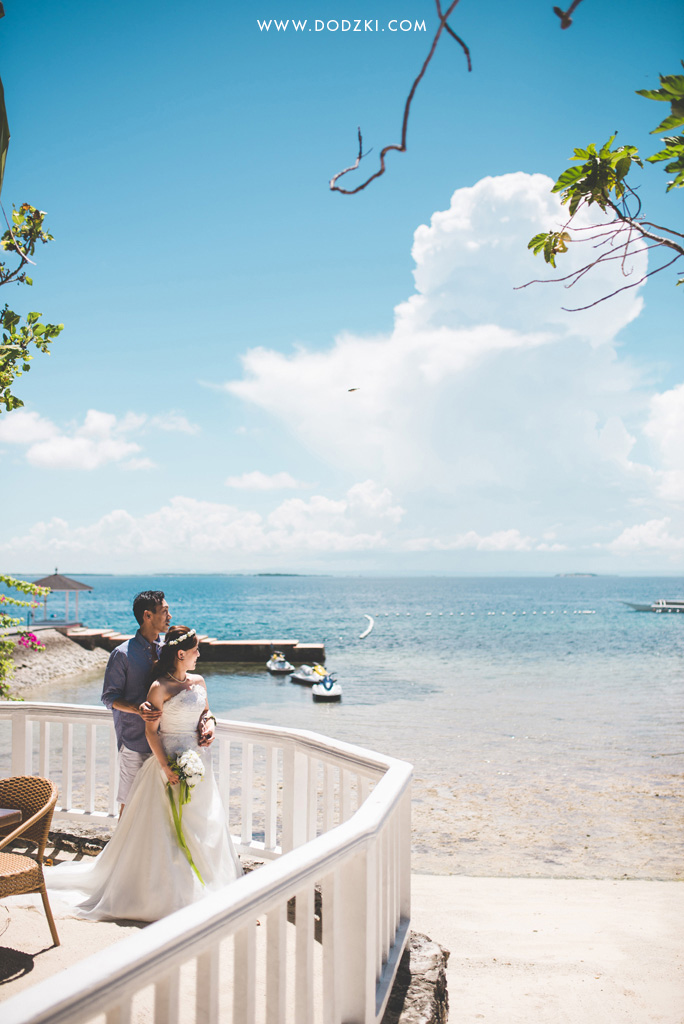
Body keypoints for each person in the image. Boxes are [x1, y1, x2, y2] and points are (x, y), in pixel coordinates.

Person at [46, 626, 242, 922]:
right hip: (169, 765)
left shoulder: (199, 681)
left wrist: (209, 724)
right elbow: (151, 732)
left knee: (205, 825)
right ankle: (173, 893)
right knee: (168, 832)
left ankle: (211, 885)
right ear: (180, 654)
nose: (199, 654)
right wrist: (165, 767)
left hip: (200, 763)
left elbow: (206, 712)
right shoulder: (159, 687)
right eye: (195, 650)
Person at [102, 590, 208, 813]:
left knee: (160, 813)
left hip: (167, 747)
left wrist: (205, 720)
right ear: (147, 615)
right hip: (136, 743)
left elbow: (181, 690)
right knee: (130, 808)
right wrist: (137, 709)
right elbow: (109, 697)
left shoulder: (167, 651)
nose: (169, 616)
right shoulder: (122, 654)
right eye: (165, 611)